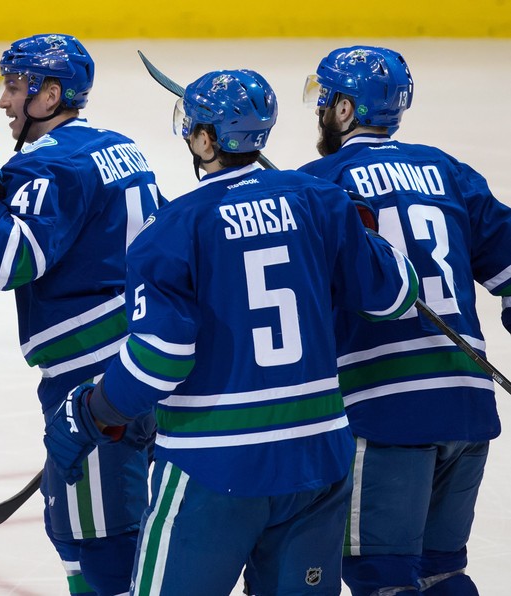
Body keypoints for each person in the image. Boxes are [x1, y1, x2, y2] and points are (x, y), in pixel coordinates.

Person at [44, 68, 422, 595]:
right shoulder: (322, 202)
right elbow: (395, 295)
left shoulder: (173, 228)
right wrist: (365, 235)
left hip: (215, 463)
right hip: (317, 456)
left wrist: (92, 409)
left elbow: (163, 356)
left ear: (203, 139)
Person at [0, 33, 164, 596]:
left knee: (105, 543)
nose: (5, 102)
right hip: (145, 364)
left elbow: (9, 261)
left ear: (51, 94)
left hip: (93, 379)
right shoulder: (122, 146)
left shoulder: (50, 163)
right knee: (79, 530)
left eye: (14, 88)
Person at [298, 45, 511, 596]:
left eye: (324, 100)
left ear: (344, 110)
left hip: (385, 408)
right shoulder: (447, 170)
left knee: (382, 579)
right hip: (467, 401)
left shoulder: (318, 185)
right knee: (444, 574)